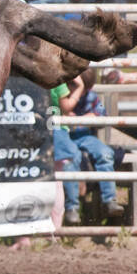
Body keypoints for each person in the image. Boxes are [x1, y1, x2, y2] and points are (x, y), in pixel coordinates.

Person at [57, 69, 123, 224]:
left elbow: (101, 114)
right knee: (70, 160)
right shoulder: (61, 95)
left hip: (84, 136)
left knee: (105, 153)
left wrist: (82, 118)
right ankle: (72, 208)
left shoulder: (90, 96)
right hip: (64, 136)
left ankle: (109, 200)